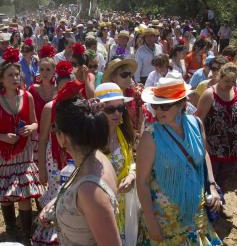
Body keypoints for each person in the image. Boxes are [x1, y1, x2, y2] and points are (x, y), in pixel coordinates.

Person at [136, 74, 222, 245]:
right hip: (165, 221)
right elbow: (142, 182)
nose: (158, 111)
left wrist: (212, 186)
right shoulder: (150, 136)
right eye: (155, 105)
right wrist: (152, 224)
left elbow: (203, 154)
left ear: (182, 104)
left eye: (165, 106)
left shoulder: (196, 124)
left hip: (196, 214)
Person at [38, 96, 122, 246]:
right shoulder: (95, 158)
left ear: (63, 137)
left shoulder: (90, 190)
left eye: (54, 128)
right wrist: (56, 204)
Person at [0, 47, 42, 244]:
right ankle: (10, 230)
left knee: (24, 195)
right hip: (4, 154)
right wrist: (2, 136)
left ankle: (26, 235)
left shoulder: (28, 96)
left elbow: (35, 123)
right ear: (1, 79)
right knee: (5, 195)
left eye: (17, 74)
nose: (15, 78)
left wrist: (30, 129)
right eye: (10, 75)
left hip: (24, 153)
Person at [32, 62, 75, 245]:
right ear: (57, 85)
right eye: (62, 87)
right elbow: (42, 140)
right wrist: (41, 168)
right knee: (56, 191)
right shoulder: (50, 107)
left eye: (69, 86)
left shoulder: (77, 105)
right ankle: (53, 236)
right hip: (54, 158)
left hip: (74, 155)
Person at [197, 63, 237, 188]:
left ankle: (220, 196)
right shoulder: (209, 95)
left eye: (233, 81)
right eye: (227, 80)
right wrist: (203, 141)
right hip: (212, 147)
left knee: (225, 175)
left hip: (233, 147)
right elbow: (198, 120)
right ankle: (209, 202)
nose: (230, 84)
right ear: (219, 77)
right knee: (210, 177)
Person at [95, 83, 138, 246]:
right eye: (110, 109)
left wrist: (132, 176)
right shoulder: (91, 139)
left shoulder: (124, 131)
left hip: (125, 203)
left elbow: (133, 162)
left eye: (120, 108)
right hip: (103, 206)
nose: (117, 113)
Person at [103, 58, 144, 135]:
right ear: (113, 77)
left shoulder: (136, 94)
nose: (129, 78)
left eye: (130, 74)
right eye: (124, 75)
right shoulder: (107, 98)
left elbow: (142, 118)